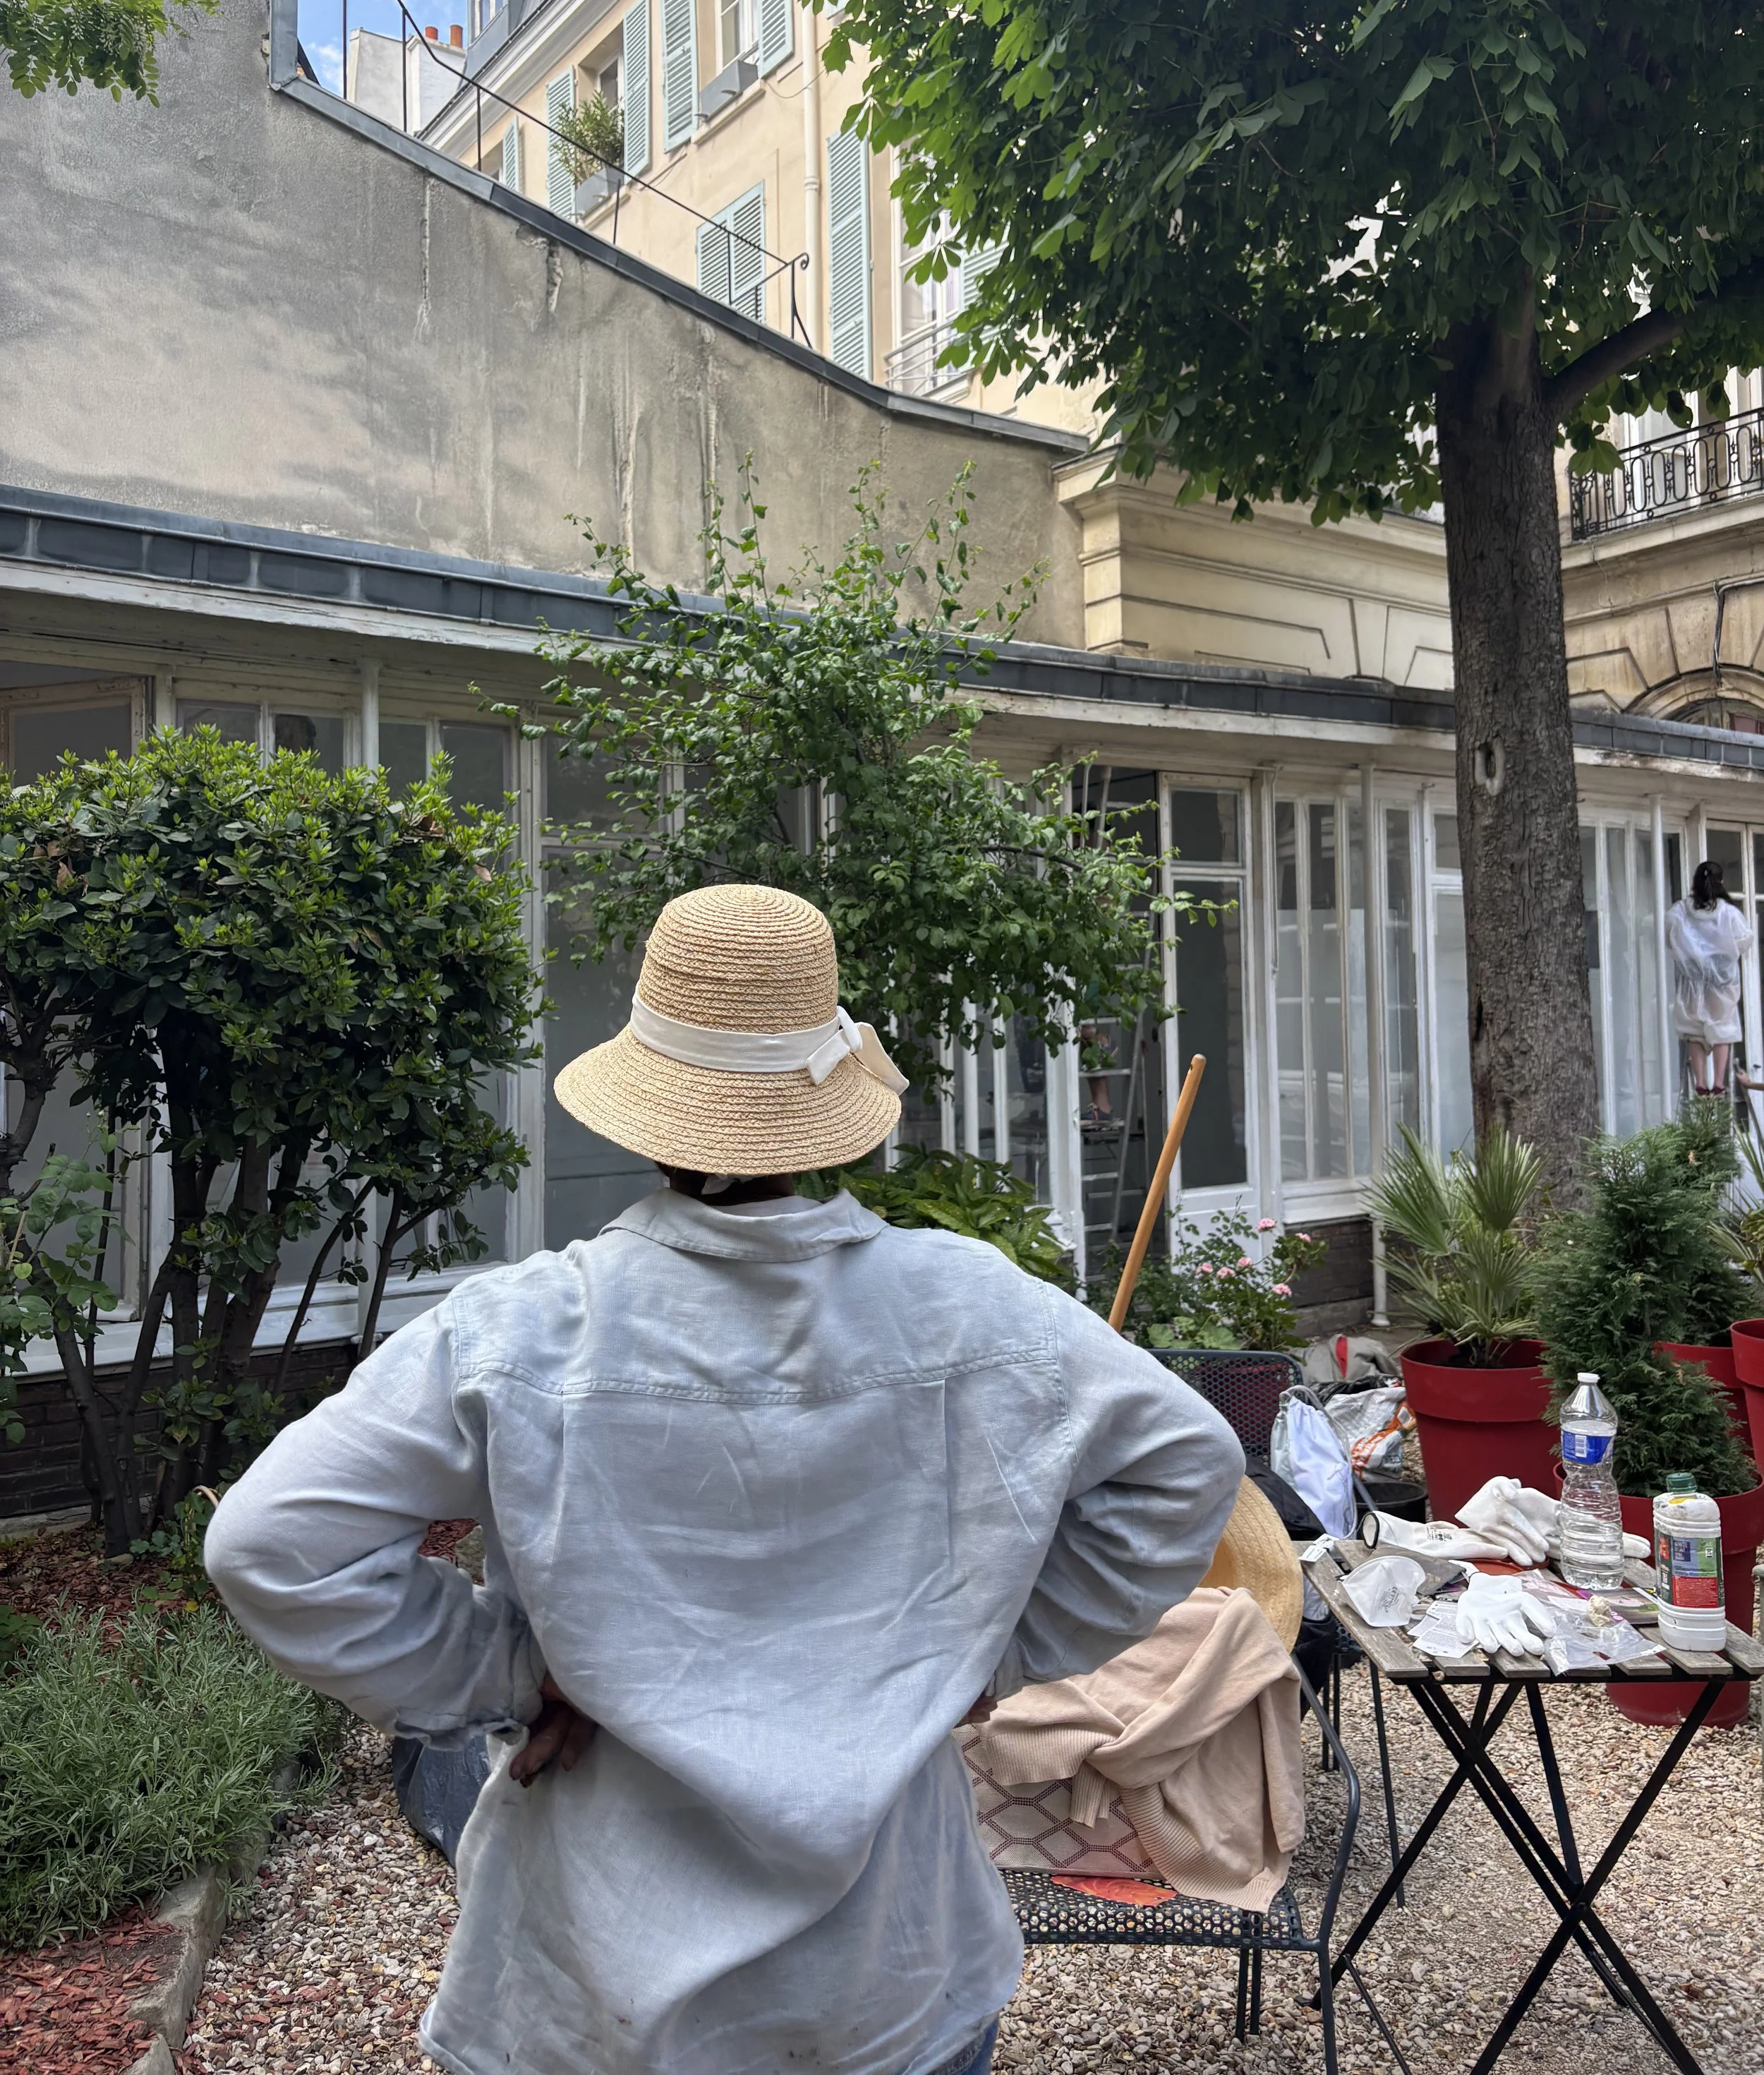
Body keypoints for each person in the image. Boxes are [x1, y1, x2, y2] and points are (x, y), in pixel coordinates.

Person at [205, 884, 1243, 2075]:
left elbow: (270, 1544)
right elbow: (1187, 1463)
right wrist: (989, 1653)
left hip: (591, 1984)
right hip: (891, 1983)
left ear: (648, 1109)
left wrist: (515, 1671)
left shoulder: (524, 1329)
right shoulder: (973, 1308)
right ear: (830, 1109)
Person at [1667, 859, 1756, 1098]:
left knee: (1694, 1030)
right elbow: (1745, 939)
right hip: (1722, 980)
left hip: (1692, 979)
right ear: (1721, 882)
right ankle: (1718, 1083)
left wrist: (1692, 955)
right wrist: (1723, 952)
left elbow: (1669, 935)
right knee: (1722, 1029)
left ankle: (1700, 1083)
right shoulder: (1727, 912)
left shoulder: (1681, 910)